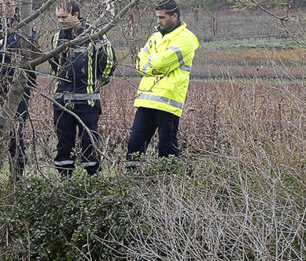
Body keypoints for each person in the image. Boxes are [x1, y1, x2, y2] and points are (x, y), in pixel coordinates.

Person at [125, 0, 198, 170]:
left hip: (168, 101)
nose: (158, 21)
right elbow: (139, 62)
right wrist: (154, 65)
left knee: (167, 148)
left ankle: (168, 185)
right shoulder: (154, 37)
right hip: (146, 100)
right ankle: (131, 182)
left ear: (175, 16)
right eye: (157, 17)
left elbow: (162, 62)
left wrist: (152, 62)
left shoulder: (185, 39)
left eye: (162, 17)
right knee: (135, 144)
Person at [50, 0, 116, 176]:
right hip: (62, 101)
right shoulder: (56, 38)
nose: (61, 21)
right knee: (64, 144)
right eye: (58, 17)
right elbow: (53, 65)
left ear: (76, 15)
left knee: (90, 143)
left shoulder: (94, 35)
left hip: (87, 101)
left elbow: (109, 61)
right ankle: (65, 181)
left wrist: (96, 83)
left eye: (64, 17)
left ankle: (93, 181)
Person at [0, 0, 36, 178]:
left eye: (9, 1)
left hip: (17, 87)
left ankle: (16, 179)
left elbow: (29, 51)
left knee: (15, 134)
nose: (4, 4)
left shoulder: (25, 21)